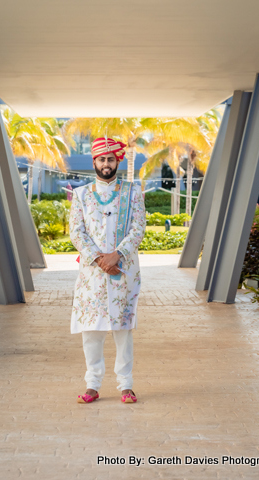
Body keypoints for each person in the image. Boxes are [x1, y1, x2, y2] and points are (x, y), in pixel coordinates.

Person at [69, 137, 146, 404]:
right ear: (94, 162)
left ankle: (126, 385)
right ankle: (92, 385)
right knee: (92, 330)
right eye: (101, 159)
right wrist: (100, 260)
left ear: (117, 161)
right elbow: (76, 233)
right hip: (93, 274)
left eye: (110, 159)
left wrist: (116, 257)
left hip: (123, 271)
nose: (106, 163)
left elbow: (138, 229)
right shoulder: (81, 195)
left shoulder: (133, 192)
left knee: (123, 330)